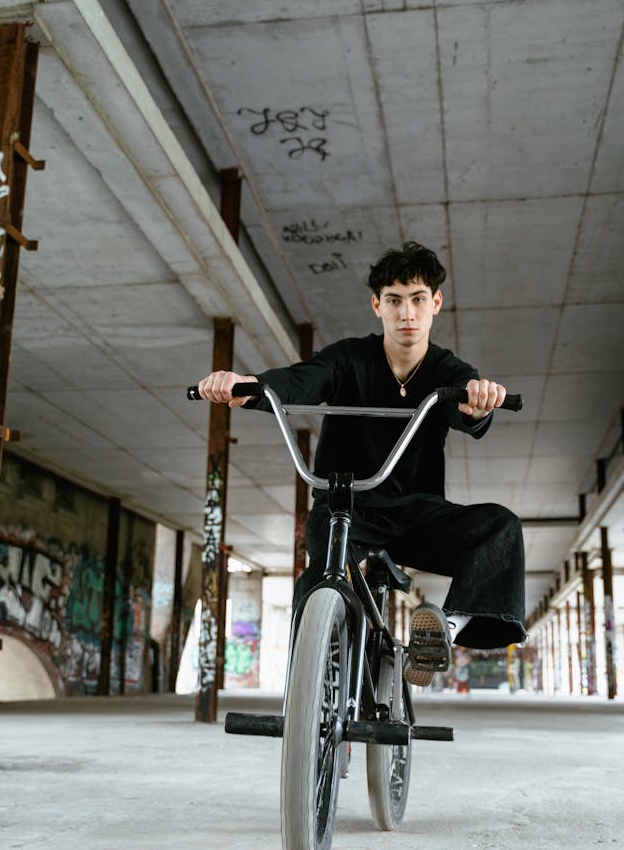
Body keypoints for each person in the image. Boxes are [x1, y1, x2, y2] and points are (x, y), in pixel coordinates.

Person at [198, 240, 526, 685]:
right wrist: (247, 385)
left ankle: (443, 631)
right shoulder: (349, 358)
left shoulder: (449, 371)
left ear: (436, 304)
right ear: (377, 305)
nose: (406, 313)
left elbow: (463, 404)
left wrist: (479, 405)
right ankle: (312, 689)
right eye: (394, 301)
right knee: (318, 580)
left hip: (414, 513)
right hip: (342, 508)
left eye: (417, 300)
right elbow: (301, 380)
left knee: (501, 526)